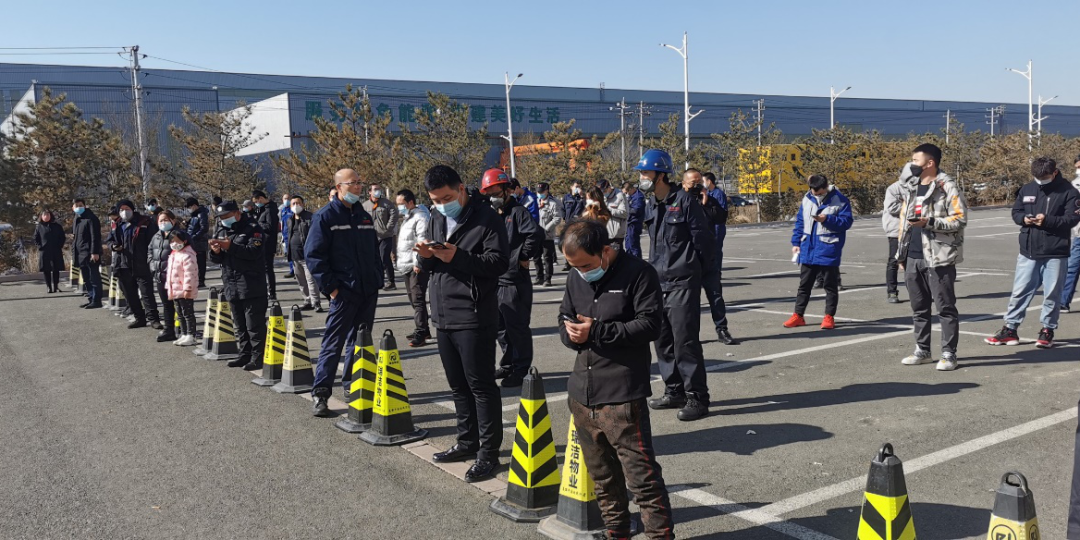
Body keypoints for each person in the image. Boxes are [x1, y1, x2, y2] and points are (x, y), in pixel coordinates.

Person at [558, 219, 675, 540]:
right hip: (582, 395)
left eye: (586, 264)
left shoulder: (639, 274)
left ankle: (659, 536)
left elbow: (650, 325)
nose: (581, 272)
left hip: (623, 396)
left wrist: (596, 330)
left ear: (605, 251)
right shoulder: (575, 276)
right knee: (603, 479)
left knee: (643, 480)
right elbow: (564, 316)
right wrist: (571, 335)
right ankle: (617, 533)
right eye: (573, 266)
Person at [417, 164, 508, 482]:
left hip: (473, 315)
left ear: (461, 189)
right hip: (442, 314)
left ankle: (488, 453)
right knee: (457, 386)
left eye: (446, 197)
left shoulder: (487, 218)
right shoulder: (437, 216)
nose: (441, 204)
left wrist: (457, 256)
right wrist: (425, 256)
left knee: (481, 386)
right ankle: (466, 442)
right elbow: (427, 263)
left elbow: (498, 263)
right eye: (435, 200)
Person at [636, 150, 715, 421]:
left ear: (660, 175)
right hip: (657, 283)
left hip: (683, 282)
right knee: (663, 340)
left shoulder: (684, 202)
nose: (642, 178)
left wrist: (696, 274)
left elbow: (703, 241)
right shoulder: (651, 205)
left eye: (645, 173)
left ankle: (697, 398)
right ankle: (674, 390)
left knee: (685, 342)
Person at [306, 170, 383, 417]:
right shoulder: (325, 217)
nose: (359, 187)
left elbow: (374, 251)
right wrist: (332, 288)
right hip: (344, 292)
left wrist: (376, 279)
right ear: (339, 187)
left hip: (367, 290)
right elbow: (314, 256)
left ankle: (354, 387)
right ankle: (321, 394)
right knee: (333, 342)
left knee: (359, 342)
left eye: (360, 182)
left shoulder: (363, 215)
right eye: (354, 183)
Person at [985, 156, 1080, 349]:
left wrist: (1047, 220)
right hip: (1028, 250)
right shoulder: (1027, 188)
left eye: (1044, 177)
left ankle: (1047, 330)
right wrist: (1024, 219)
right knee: (1020, 291)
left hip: (1055, 251)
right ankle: (1010, 329)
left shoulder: (1069, 192)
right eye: (1037, 177)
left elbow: (1072, 219)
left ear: (1054, 173)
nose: (1040, 180)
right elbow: (1016, 211)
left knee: (1052, 294)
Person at [895, 143, 968, 371]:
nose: (911, 164)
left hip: (939, 256)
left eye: (915, 161)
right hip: (913, 256)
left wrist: (930, 222)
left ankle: (949, 354)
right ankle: (923, 350)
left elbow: (960, 219)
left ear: (930, 163)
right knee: (919, 308)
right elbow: (902, 222)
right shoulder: (911, 186)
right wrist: (901, 252)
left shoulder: (947, 187)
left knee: (945, 307)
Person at [481, 168, 543, 388]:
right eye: (488, 192)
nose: (492, 196)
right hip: (496, 279)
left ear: (506, 189)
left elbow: (535, 234)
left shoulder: (517, 212)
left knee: (517, 327)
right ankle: (508, 363)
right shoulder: (493, 214)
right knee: (500, 327)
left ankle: (521, 369)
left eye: (495, 191)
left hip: (514, 280)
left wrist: (523, 256)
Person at [782, 175, 854, 330]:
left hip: (828, 248)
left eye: (818, 192)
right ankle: (798, 316)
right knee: (804, 285)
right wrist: (796, 242)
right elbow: (800, 221)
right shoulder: (807, 198)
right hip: (808, 248)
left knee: (830, 285)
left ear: (825, 187)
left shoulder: (840, 200)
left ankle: (829, 317)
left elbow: (846, 223)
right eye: (812, 190)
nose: (814, 193)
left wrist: (826, 219)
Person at [209, 200, 268, 370]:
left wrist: (231, 247)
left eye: (226, 216)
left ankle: (259, 357)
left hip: (251, 284)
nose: (223, 220)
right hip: (231, 283)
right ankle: (244, 354)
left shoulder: (252, 228)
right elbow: (216, 259)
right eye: (221, 217)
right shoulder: (221, 229)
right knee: (239, 324)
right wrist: (216, 252)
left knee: (254, 325)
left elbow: (254, 252)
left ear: (237, 213)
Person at [684, 169, 738, 345]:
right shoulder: (680, 201)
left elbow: (721, 217)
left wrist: (706, 203)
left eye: (700, 182)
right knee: (691, 301)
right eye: (693, 182)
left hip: (708, 257)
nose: (697, 185)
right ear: (684, 183)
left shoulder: (707, 199)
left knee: (715, 296)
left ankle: (722, 329)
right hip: (688, 259)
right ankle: (692, 335)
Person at [108, 199, 160, 329]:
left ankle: (153, 319)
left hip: (141, 263)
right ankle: (139, 318)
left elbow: (154, 241)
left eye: (127, 209)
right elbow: (110, 241)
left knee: (147, 294)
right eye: (121, 209)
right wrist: (114, 246)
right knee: (130, 294)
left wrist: (152, 260)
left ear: (132, 209)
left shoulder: (145, 222)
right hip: (124, 264)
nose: (124, 212)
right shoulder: (117, 225)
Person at [395, 189, 432, 347]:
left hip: (415, 265)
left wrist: (419, 262)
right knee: (413, 298)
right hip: (406, 264)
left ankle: (421, 332)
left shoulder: (420, 216)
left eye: (401, 204)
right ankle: (424, 328)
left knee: (418, 299)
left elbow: (421, 240)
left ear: (410, 202)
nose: (399, 208)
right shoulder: (407, 217)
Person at [286, 196, 322, 313]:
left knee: (311, 280)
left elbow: (315, 235)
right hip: (295, 255)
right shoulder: (290, 219)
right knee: (301, 280)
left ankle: (316, 302)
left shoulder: (310, 218)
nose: (296, 205)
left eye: (298, 203)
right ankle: (307, 300)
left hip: (307, 255)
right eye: (293, 204)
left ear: (303, 204)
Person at [148, 210, 179, 343]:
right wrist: (152, 266)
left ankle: (187, 330)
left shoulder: (179, 235)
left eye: (166, 220)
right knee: (166, 305)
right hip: (160, 275)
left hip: (175, 276)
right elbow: (150, 251)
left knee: (180, 305)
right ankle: (169, 330)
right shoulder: (156, 236)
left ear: (173, 220)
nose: (163, 223)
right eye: (161, 220)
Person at [363, 183, 400, 292]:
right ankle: (378, 280)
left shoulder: (387, 203)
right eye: (375, 189)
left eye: (379, 189)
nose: (377, 191)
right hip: (372, 237)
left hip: (385, 236)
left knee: (384, 257)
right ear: (369, 192)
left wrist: (388, 228)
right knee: (375, 259)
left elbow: (394, 215)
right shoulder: (365, 206)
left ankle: (391, 281)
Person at [165, 230, 199, 346]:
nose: (174, 243)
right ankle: (184, 334)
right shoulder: (174, 254)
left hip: (184, 290)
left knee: (188, 313)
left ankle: (191, 335)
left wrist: (188, 288)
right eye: (172, 241)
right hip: (175, 289)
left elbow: (189, 273)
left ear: (184, 241)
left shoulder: (188, 254)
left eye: (177, 241)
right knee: (180, 313)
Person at [71, 199, 103, 308]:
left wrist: (94, 252)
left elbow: (95, 237)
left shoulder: (91, 218)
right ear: (73, 207)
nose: (79, 207)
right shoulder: (77, 219)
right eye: (76, 205)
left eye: (81, 205)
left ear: (85, 206)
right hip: (80, 253)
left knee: (94, 278)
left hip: (90, 253)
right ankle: (91, 297)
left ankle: (97, 300)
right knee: (86, 278)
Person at [1059, 155, 1080, 312]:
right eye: (1077, 167)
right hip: (1079, 234)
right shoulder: (1074, 185)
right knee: (1072, 266)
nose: (1078, 169)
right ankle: (1063, 301)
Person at [251, 190, 280, 300]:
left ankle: (271, 292)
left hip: (268, 243)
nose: (256, 204)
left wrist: (257, 224)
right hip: (262, 242)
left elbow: (270, 227)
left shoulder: (270, 210)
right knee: (262, 268)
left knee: (268, 269)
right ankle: (265, 290)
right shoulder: (263, 209)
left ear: (261, 199)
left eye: (256, 201)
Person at [882, 175, 905, 303]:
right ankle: (892, 292)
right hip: (896, 229)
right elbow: (892, 208)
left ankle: (917, 291)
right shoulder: (893, 189)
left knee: (914, 261)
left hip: (913, 228)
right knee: (894, 260)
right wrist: (909, 206)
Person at [534, 182, 562, 287]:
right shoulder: (535, 202)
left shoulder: (552, 204)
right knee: (536, 257)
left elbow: (557, 218)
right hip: (536, 235)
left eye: (541, 192)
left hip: (547, 235)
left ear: (547, 191)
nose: (539, 194)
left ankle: (547, 279)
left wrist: (546, 228)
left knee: (547, 258)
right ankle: (539, 277)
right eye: (538, 192)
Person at [33, 209, 65, 294]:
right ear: (41, 217)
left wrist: (60, 245)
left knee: (56, 268)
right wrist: (40, 246)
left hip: (56, 249)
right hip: (44, 250)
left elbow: (62, 237)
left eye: (48, 215)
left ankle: (56, 286)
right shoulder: (39, 226)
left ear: (50, 216)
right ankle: (48, 287)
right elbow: (36, 238)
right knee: (46, 269)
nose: (46, 217)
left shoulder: (57, 226)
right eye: (44, 215)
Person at [702, 172, 728, 268]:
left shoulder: (718, 194)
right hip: (709, 226)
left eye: (703, 181)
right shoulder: (707, 193)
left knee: (716, 249)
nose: (703, 183)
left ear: (709, 181)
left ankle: (717, 271)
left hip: (717, 226)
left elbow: (722, 212)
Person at [185, 197, 209, 288]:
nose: (189, 209)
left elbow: (204, 228)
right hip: (193, 241)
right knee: (194, 262)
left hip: (199, 242)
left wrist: (194, 237)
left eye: (189, 207)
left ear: (195, 205)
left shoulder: (201, 214)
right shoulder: (194, 215)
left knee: (200, 262)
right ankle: (196, 280)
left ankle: (201, 281)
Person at [596, 179, 627, 248]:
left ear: (609, 187)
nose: (603, 193)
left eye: (604, 191)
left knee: (617, 256)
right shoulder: (602, 197)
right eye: (601, 192)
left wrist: (608, 210)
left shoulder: (620, 196)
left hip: (616, 234)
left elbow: (624, 213)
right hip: (605, 233)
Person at [562, 181, 585, 270]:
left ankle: (577, 262)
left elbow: (586, 207)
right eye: (576, 186)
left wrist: (582, 197)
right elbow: (562, 208)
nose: (577, 188)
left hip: (579, 223)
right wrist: (564, 217)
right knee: (567, 243)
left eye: (579, 186)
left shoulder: (582, 197)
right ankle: (567, 263)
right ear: (571, 187)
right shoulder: (567, 197)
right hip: (568, 222)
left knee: (578, 242)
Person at [624, 181, 645, 258]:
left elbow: (636, 210)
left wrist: (625, 209)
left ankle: (637, 263)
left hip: (634, 223)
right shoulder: (631, 196)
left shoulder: (638, 197)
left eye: (627, 192)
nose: (626, 194)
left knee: (633, 245)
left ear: (631, 189)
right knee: (628, 245)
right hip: (629, 223)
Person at [280, 193, 295, 279]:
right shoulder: (283, 210)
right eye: (285, 199)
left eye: (288, 198)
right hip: (285, 235)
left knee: (295, 254)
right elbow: (282, 223)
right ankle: (292, 270)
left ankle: (297, 271)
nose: (286, 200)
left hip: (293, 234)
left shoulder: (293, 209)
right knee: (288, 253)